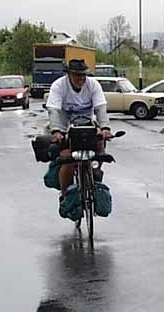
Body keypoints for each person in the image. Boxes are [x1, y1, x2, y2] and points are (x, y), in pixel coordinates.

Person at [45, 59, 112, 217]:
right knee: (67, 159)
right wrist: (56, 131)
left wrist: (105, 128)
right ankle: (65, 194)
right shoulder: (58, 86)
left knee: (100, 146)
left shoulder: (93, 85)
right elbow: (53, 109)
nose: (81, 79)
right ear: (68, 74)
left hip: (86, 127)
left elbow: (100, 108)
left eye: (84, 75)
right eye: (77, 75)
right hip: (64, 128)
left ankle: (95, 172)